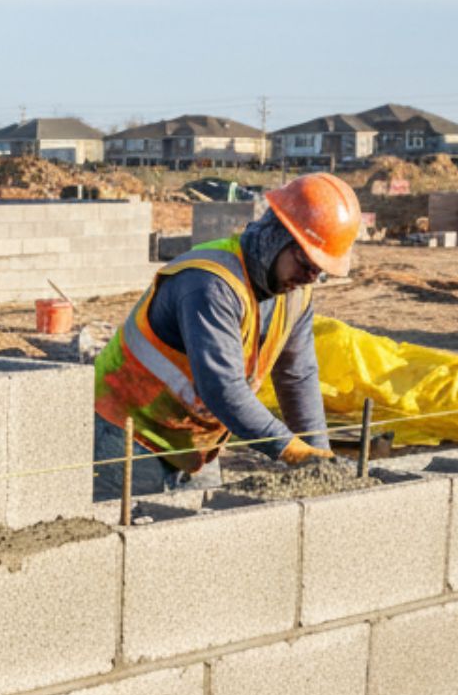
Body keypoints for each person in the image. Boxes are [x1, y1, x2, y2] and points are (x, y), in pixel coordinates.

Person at [92, 171, 361, 498]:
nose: (309, 278)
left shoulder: (295, 295)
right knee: (130, 525)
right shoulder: (210, 283)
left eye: (320, 271)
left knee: (202, 525)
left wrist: (318, 455)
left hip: (192, 443)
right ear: (278, 236)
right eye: (306, 263)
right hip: (127, 430)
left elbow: (297, 376)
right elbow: (223, 387)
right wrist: (289, 449)